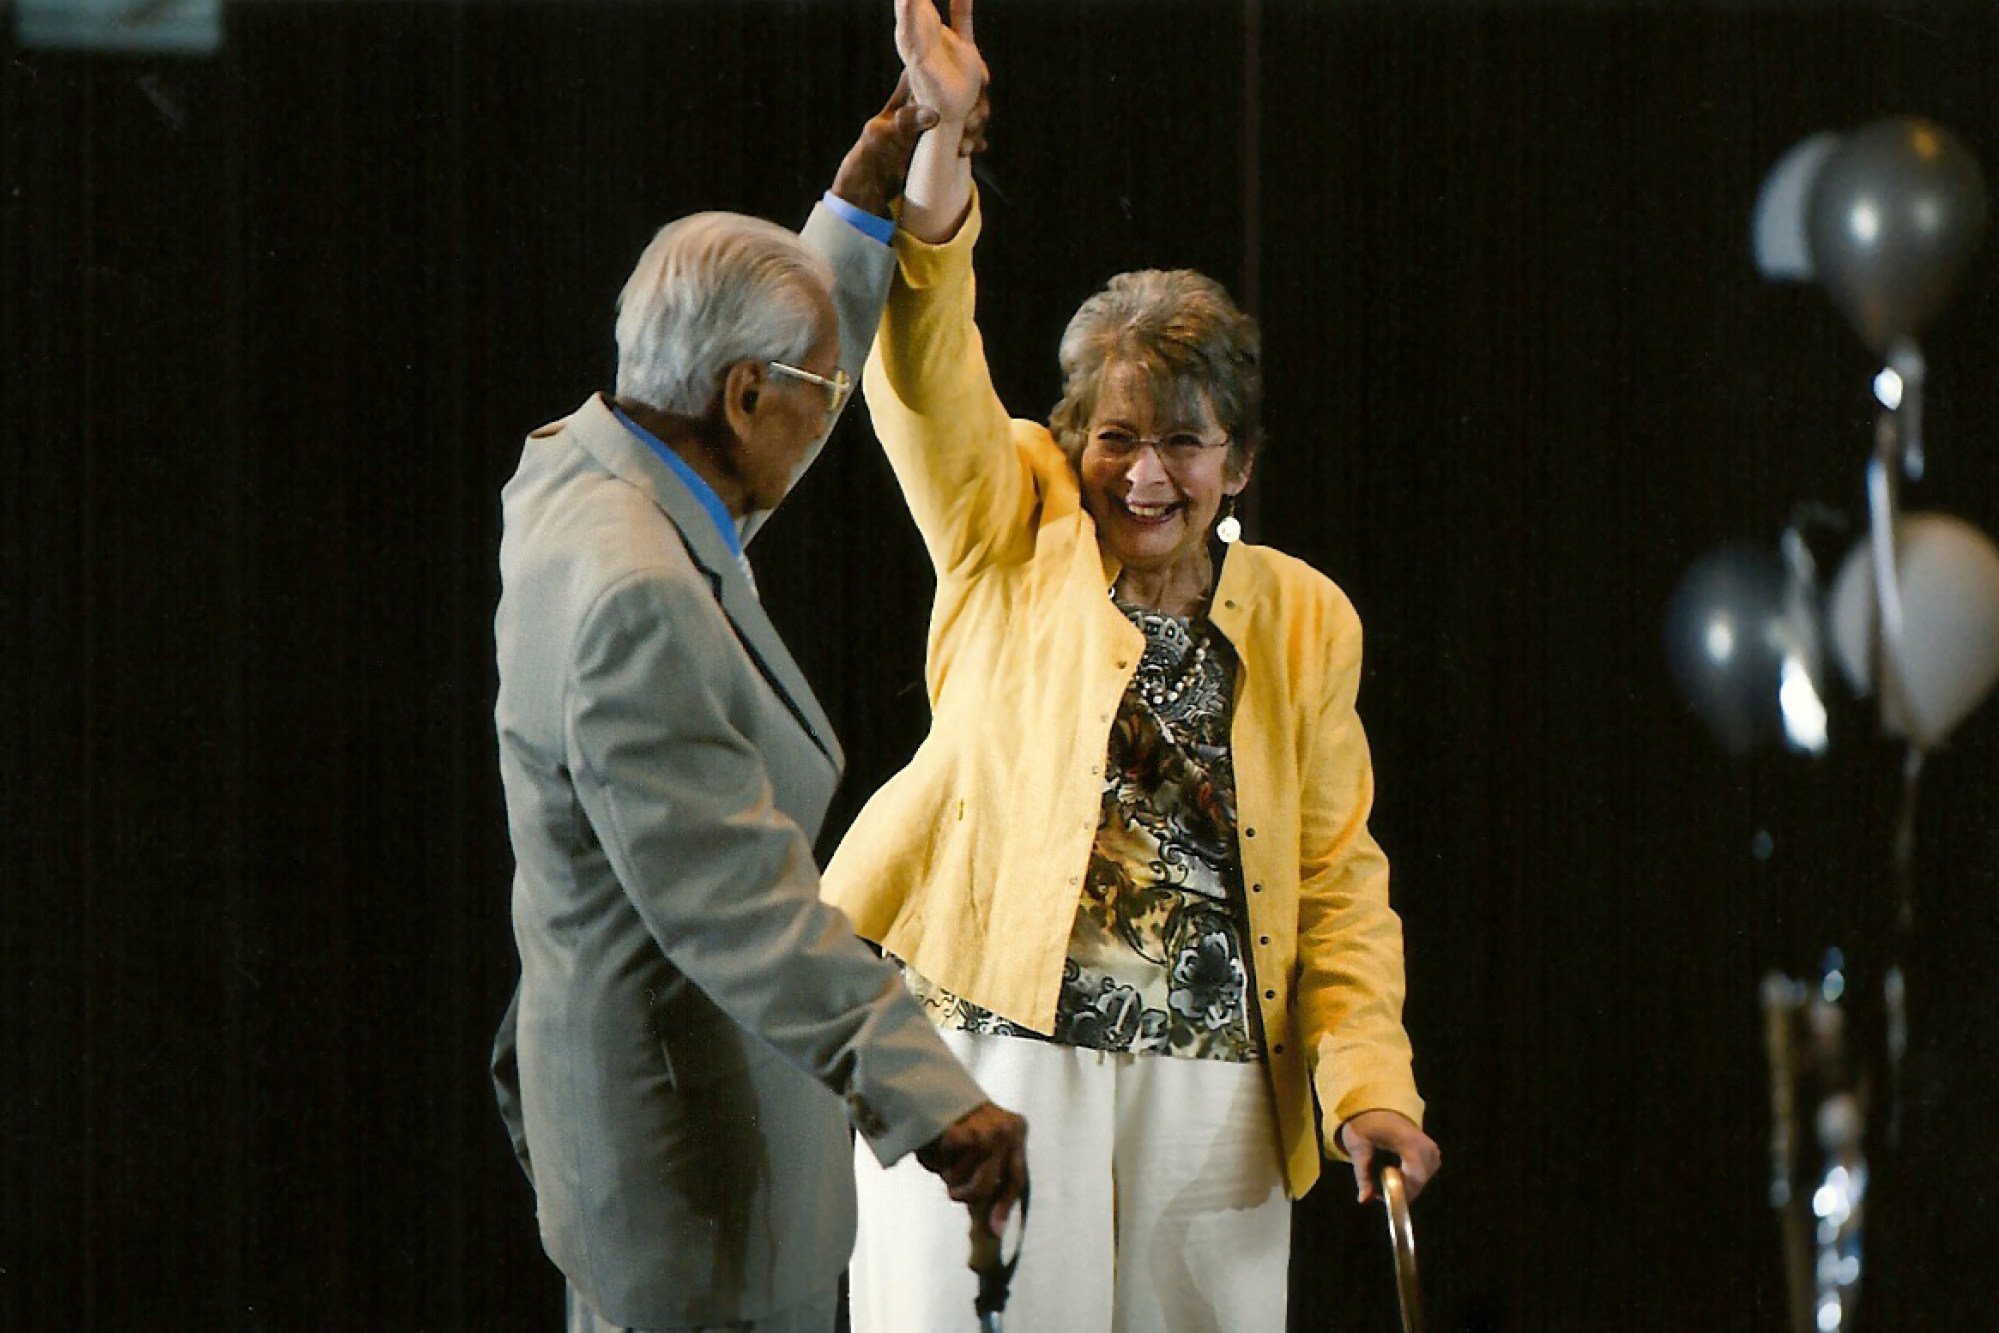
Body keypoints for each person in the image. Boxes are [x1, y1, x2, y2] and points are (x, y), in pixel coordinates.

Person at [822, 3, 1441, 1329]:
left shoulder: (1302, 618)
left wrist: (1369, 1084)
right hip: (991, 1053)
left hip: (1213, 1098)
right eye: (1114, 436)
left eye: (1183, 442)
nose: (1145, 473)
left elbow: (1333, 887)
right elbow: (925, 364)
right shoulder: (1013, 520)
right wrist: (938, 140)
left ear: (1240, 463)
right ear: (1069, 437)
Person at [489, 81, 1026, 1333]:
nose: (828, 415)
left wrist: (866, 186)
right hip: (693, 1172)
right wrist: (934, 1100)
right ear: (741, 396)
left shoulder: (576, 470)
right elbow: (740, 903)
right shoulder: (640, 599)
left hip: (616, 1122)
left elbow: (731, 467)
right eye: (819, 396)